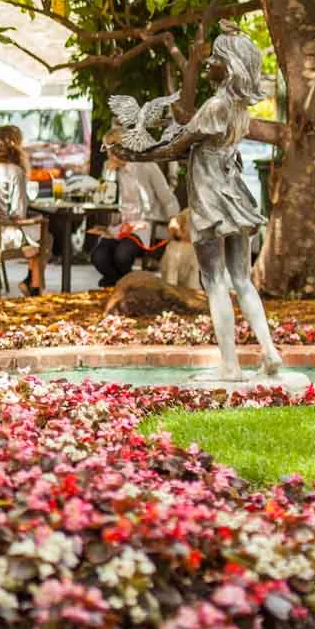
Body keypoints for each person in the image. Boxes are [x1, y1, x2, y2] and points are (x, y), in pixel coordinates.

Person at [110, 32, 285, 380]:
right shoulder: (239, 108)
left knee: (215, 281)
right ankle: (269, 351)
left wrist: (129, 152)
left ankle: (230, 366)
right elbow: (191, 143)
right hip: (235, 197)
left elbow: (175, 148)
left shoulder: (216, 106)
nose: (209, 63)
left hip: (211, 200)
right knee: (242, 279)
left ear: (230, 68)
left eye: (216, 58)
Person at [0, 123, 48, 296]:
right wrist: (36, 219)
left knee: (36, 235)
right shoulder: (15, 171)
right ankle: (33, 285)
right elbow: (18, 214)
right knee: (45, 234)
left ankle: (32, 283)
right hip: (4, 234)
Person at [87, 160, 178, 287]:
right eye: (109, 153)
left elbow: (166, 197)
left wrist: (174, 219)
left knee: (122, 256)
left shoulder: (147, 166)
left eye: (113, 152)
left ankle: (123, 285)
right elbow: (104, 198)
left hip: (144, 224)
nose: (110, 156)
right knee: (98, 257)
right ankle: (123, 284)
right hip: (121, 224)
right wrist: (108, 175)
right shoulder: (112, 169)